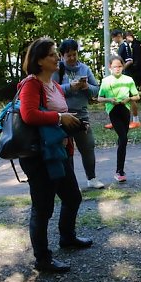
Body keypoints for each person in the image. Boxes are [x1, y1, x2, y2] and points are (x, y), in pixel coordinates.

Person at [18, 37, 93, 273]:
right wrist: (61, 118)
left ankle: (67, 237)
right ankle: (42, 259)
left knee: (72, 197)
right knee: (42, 208)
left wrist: (77, 123)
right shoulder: (31, 84)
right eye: (52, 54)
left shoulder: (55, 85)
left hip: (59, 151)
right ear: (39, 61)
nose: (57, 58)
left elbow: (60, 114)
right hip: (39, 156)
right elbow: (29, 115)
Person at [52, 39, 105, 190]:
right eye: (68, 55)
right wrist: (70, 87)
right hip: (62, 117)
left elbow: (97, 90)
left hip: (81, 115)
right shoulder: (57, 70)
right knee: (66, 152)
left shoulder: (84, 69)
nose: (72, 58)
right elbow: (52, 90)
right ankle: (70, 183)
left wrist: (86, 86)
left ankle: (92, 178)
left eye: (74, 54)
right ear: (62, 56)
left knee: (88, 147)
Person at [98, 56, 140, 183]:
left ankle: (120, 168)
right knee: (123, 138)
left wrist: (129, 99)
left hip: (125, 110)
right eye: (115, 67)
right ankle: (119, 171)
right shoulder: (106, 81)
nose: (117, 69)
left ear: (123, 66)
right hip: (113, 110)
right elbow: (99, 98)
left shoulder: (128, 80)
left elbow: (137, 96)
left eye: (120, 66)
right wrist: (109, 100)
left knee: (122, 140)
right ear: (110, 68)